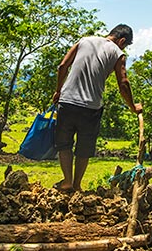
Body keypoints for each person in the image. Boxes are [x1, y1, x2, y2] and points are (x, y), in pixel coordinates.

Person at [52, 24, 143, 193]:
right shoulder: (118, 53)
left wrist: (58, 90)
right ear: (122, 41)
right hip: (91, 108)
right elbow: (123, 83)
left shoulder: (84, 40)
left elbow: (62, 66)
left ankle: (67, 181)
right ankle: (77, 184)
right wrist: (132, 106)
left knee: (64, 144)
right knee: (84, 148)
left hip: (67, 101)